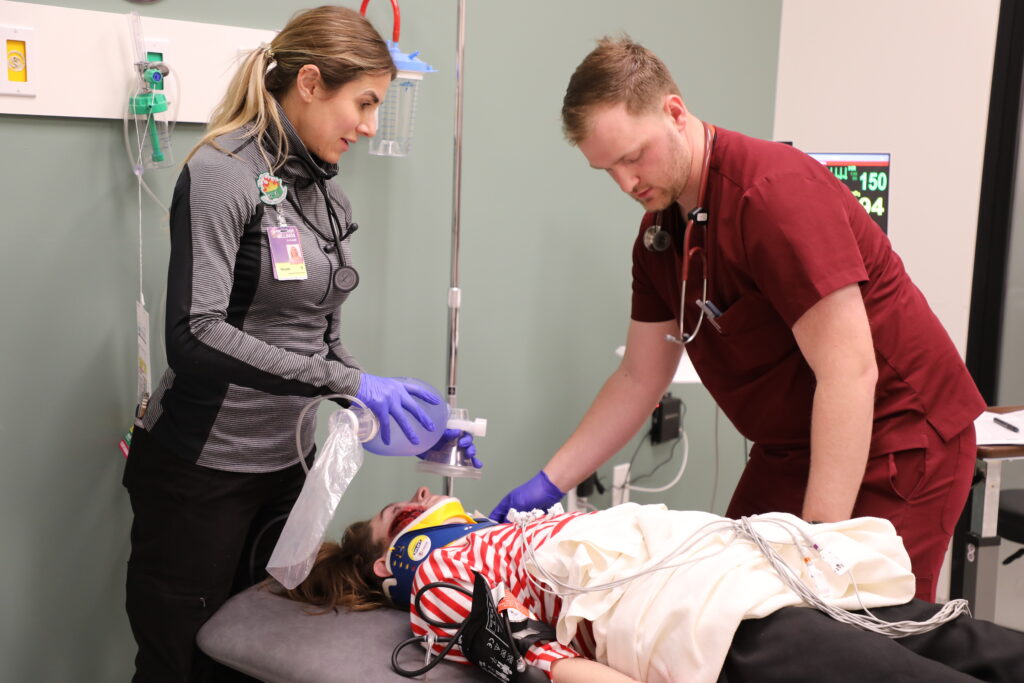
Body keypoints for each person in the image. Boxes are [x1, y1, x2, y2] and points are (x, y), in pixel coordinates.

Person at [490, 36, 985, 602]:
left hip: (897, 437)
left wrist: (817, 543)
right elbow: (638, 378)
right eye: (608, 169)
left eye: (633, 157)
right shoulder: (659, 236)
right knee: (728, 608)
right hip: (794, 445)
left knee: (850, 638)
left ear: (675, 112)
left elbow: (849, 373)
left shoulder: (774, 195)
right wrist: (551, 480)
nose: (627, 183)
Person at [122, 7, 474, 681]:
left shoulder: (325, 196)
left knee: (259, 659)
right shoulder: (222, 173)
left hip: (288, 474)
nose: (371, 126)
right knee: (179, 666)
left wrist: (409, 421)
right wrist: (346, 384)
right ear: (310, 82)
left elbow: (322, 341)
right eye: (365, 103)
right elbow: (195, 335)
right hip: (200, 475)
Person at [278, 486, 1024, 683]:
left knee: (960, 638)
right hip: (685, 610)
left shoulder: (490, 530)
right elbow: (536, 657)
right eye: (395, 510)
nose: (415, 490)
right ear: (388, 559)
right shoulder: (436, 581)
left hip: (733, 562)